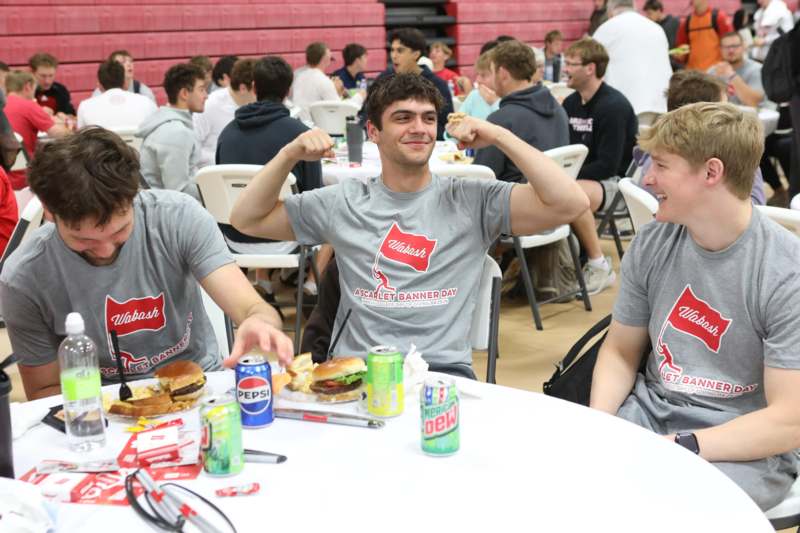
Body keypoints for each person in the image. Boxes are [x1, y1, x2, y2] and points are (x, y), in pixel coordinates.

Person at [228, 73, 589, 376]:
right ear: (373, 131)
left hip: (442, 371)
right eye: (403, 118)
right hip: (358, 369)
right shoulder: (345, 200)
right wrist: (289, 154)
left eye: (428, 118)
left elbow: (571, 203)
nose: (419, 129)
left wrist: (499, 135)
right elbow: (247, 219)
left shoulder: (472, 199)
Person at [590, 101, 800, 512]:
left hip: (743, 447)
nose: (647, 180)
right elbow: (619, 351)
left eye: (662, 166)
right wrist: (600, 424)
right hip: (649, 420)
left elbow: (789, 419)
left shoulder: (784, 271)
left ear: (711, 172)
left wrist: (682, 447)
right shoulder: (653, 243)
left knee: (670, 507)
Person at [0, 128, 293, 401]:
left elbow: (253, 309)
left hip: (199, 389)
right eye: (83, 240)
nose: (103, 251)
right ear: (50, 213)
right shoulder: (24, 278)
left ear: (134, 196)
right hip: (103, 406)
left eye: (119, 231)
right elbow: (45, 391)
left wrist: (259, 321)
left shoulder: (177, 219)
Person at [562, 38, 637, 294]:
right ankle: (557, 268)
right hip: (581, 179)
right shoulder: (570, 103)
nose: (565, 69)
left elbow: (608, 165)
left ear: (590, 68)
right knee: (556, 190)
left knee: (573, 194)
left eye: (571, 64)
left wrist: (565, 177)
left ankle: (599, 265)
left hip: (618, 184)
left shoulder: (613, 106)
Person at [635, 70, 766, 206]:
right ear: (706, 117)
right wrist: (747, 160)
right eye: (725, 108)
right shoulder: (689, 166)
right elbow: (754, 211)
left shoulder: (656, 155)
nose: (731, 112)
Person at [474, 40, 569, 183]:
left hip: (512, 200)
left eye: (493, 72)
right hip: (556, 197)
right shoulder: (559, 110)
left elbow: (481, 176)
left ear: (503, 73)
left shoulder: (500, 120)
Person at [137, 63, 207, 201]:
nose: (206, 95)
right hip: (166, 213)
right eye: (201, 89)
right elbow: (178, 190)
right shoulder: (176, 133)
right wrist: (213, 188)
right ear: (184, 94)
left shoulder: (170, 124)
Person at [593, 0, 672, 115]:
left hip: (626, 106)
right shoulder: (657, 29)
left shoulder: (606, 29)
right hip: (662, 105)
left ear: (609, 11)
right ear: (634, 7)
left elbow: (590, 63)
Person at [380, 28, 454, 140]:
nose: (394, 56)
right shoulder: (384, 79)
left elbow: (447, 127)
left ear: (416, 54)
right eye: (392, 50)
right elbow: (366, 114)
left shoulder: (437, 85)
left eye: (400, 51)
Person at [4, 71, 70, 190]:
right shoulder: (28, 105)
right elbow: (59, 134)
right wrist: (69, 128)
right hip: (24, 178)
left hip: (3, 175)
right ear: (28, 86)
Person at [194, 58, 257, 168]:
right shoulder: (210, 104)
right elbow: (193, 148)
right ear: (243, 88)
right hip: (213, 173)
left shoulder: (255, 106)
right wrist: (226, 159)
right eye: (256, 90)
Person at [293, 42, 363, 125]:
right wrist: (360, 96)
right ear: (325, 60)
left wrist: (337, 92)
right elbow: (340, 111)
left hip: (296, 123)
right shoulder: (323, 81)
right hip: (313, 127)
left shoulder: (297, 76)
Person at [77, 60, 157, 130]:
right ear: (125, 83)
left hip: (101, 147)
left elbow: (82, 141)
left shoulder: (85, 107)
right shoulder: (146, 103)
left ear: (100, 86)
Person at [707, 32, 765, 107]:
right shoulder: (713, 71)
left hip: (751, 116)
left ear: (744, 46)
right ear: (720, 49)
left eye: (735, 46)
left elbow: (753, 102)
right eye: (726, 47)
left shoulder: (757, 69)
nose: (731, 50)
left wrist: (731, 76)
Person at [674, 0, 734, 71]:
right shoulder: (687, 22)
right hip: (693, 73)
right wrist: (679, 54)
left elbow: (730, 44)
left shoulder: (719, 17)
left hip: (715, 72)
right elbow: (681, 47)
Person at [92, 50, 156, 103]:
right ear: (112, 67)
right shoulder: (100, 91)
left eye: (131, 61)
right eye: (123, 62)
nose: (129, 64)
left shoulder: (142, 90)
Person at [29, 53, 75, 117]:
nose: (47, 81)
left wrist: (66, 116)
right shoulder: (24, 91)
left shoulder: (61, 90)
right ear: (32, 73)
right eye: (43, 76)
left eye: (51, 76)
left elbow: (71, 115)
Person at [458, 52, 500, 121]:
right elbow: (456, 122)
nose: (478, 80)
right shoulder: (475, 95)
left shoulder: (508, 97)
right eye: (477, 74)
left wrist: (494, 103)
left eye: (483, 75)